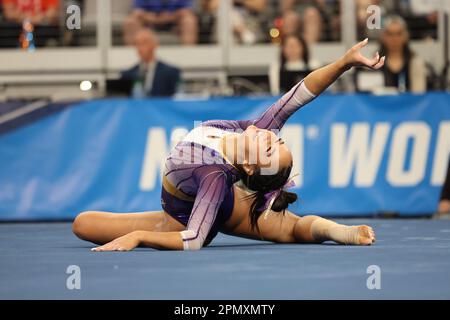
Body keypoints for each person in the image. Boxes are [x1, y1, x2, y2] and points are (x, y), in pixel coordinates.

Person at [72, 38, 383, 251]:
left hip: (189, 220)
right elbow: (301, 94)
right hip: (182, 208)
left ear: (249, 166)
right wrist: (343, 63)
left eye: (270, 149)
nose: (270, 135)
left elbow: (192, 240)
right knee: (82, 223)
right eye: (278, 139)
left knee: (288, 229)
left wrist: (139, 237)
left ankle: (339, 232)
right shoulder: (256, 130)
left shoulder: (214, 177)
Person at [120, 29, 180, 98]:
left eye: (144, 43)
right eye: (137, 44)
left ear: (155, 44)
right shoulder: (127, 74)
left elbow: (175, 99)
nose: (140, 48)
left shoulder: (170, 73)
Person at [378, 15, 427, 93]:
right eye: (390, 34)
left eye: (398, 34)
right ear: (383, 37)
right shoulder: (374, 62)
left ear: (405, 36)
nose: (394, 39)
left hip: (410, 104)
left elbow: (419, 94)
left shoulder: (415, 62)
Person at [123, 0, 198, 45]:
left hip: (175, 24)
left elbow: (187, 10)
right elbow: (137, 11)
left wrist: (170, 17)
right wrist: (153, 18)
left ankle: (188, 54)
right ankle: (133, 59)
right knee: (130, 22)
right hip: (149, 24)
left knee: (189, 20)